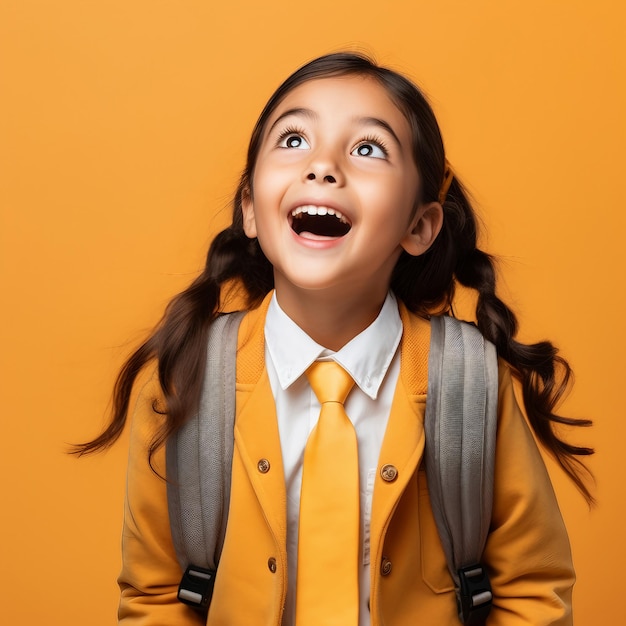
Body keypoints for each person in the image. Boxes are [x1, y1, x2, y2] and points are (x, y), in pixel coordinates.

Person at [75, 52, 593, 625]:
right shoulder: (182, 381)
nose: (322, 167)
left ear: (419, 226)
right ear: (250, 206)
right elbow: (153, 599)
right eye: (293, 138)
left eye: (367, 148)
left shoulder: (469, 381)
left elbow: (533, 592)